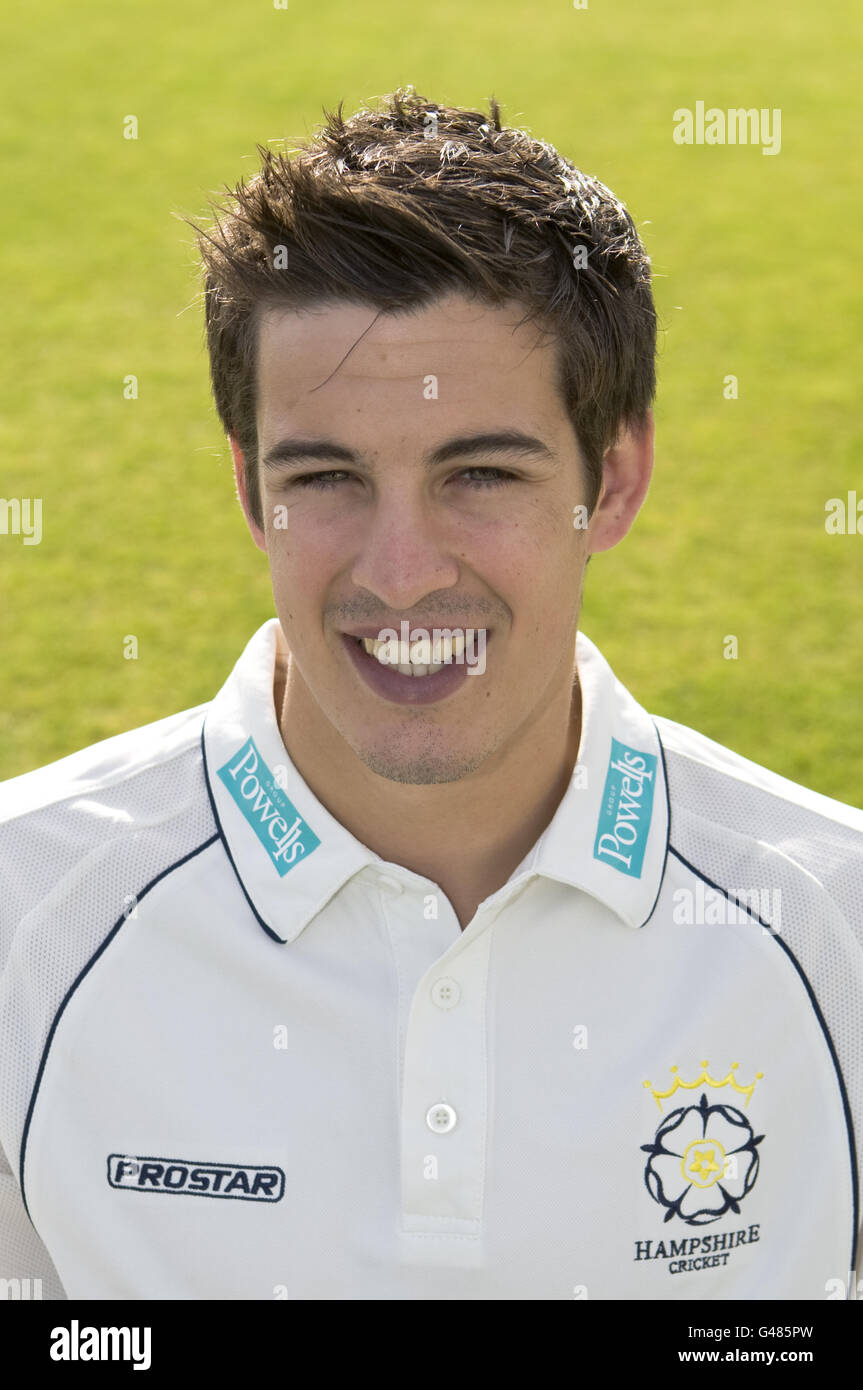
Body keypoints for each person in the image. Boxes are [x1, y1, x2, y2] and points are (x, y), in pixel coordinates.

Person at [1, 87, 860, 1302]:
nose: (400, 574)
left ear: (609, 480)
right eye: (329, 476)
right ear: (252, 494)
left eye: (478, 474)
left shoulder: (834, 933)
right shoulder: (20, 922)